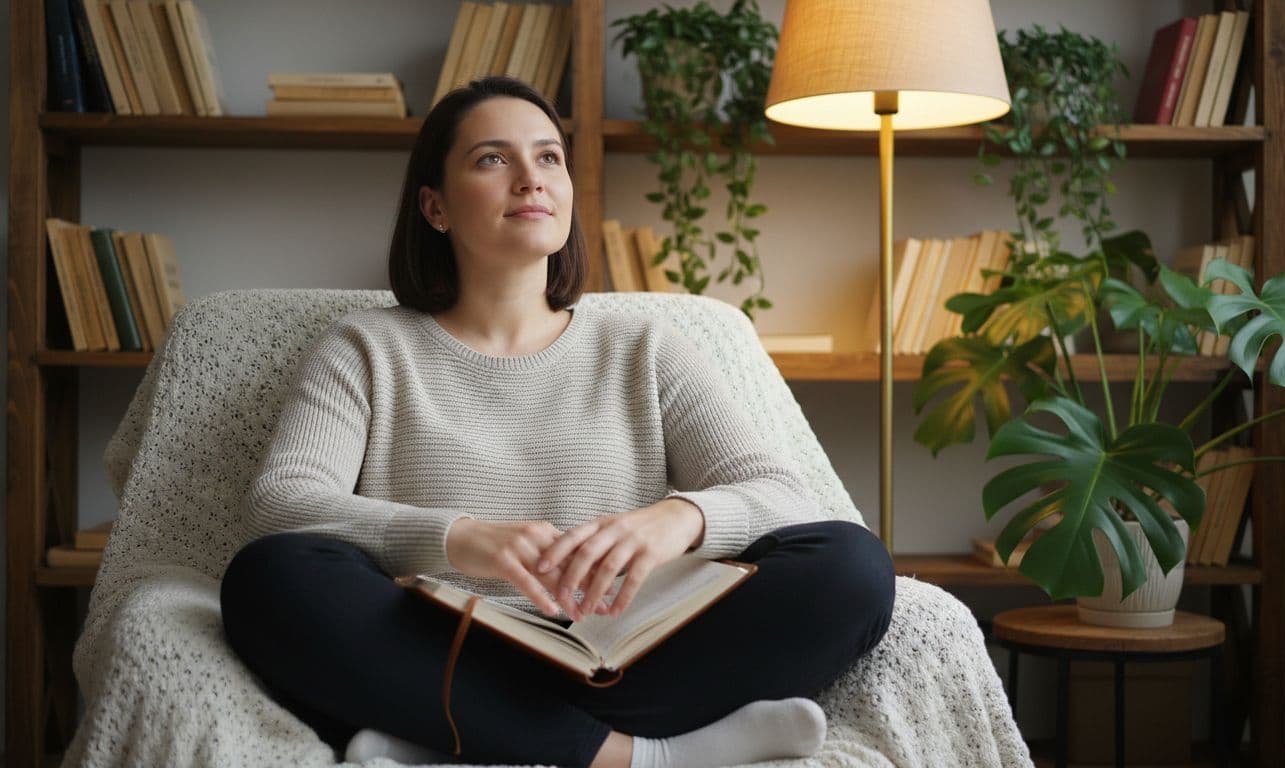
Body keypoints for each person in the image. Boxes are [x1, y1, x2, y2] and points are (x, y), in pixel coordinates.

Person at [219, 76, 895, 768]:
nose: (530, 178)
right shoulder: (365, 347)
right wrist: (460, 538)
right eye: (492, 159)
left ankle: (447, 736)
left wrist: (679, 519)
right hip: (440, 647)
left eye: (548, 157)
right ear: (435, 206)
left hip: (620, 655)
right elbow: (282, 504)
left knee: (854, 566)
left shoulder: (646, 347)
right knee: (269, 577)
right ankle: (646, 758)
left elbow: (784, 497)